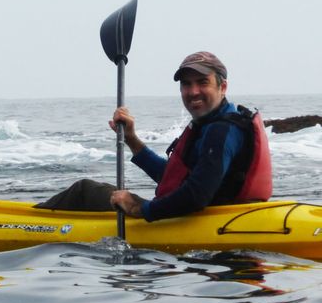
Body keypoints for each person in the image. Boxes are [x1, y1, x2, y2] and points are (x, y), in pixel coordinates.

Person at [36, 51, 272, 221]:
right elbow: (175, 178)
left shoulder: (221, 130)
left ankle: (28, 223)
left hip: (204, 221)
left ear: (223, 87)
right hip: (204, 215)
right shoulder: (210, 124)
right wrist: (132, 140)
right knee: (104, 192)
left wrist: (142, 209)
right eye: (186, 84)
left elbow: (196, 196)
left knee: (85, 190)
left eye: (203, 82)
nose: (193, 92)